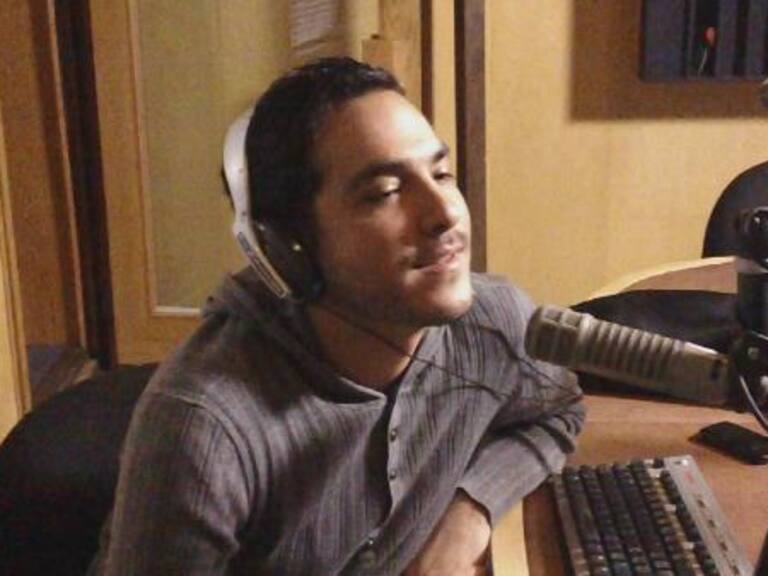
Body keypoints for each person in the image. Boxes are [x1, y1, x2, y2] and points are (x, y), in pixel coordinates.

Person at [89, 57, 585, 575]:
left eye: (441, 173)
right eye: (384, 193)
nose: (444, 213)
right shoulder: (203, 428)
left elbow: (558, 412)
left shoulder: (494, 321)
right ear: (287, 249)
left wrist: (469, 513)